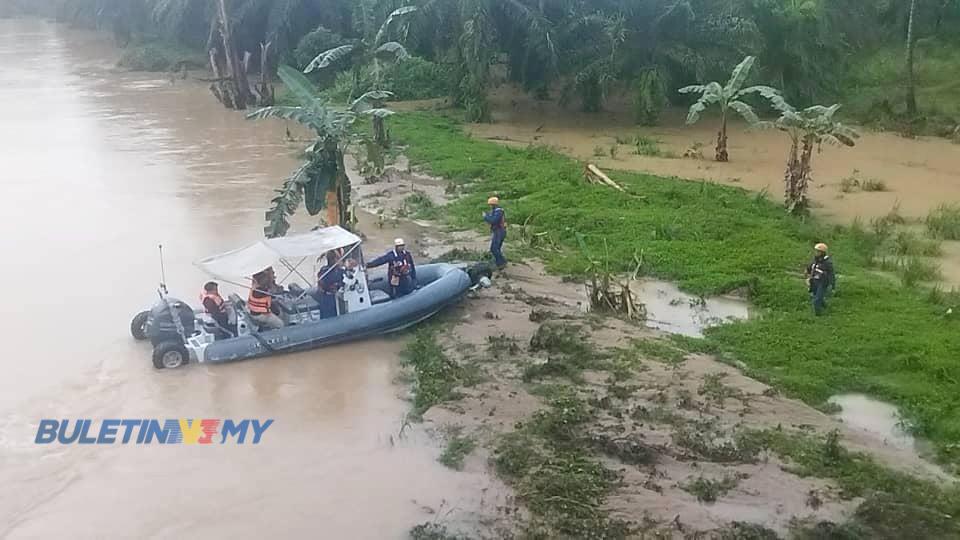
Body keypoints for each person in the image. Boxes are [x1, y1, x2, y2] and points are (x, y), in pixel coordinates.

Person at [805, 243, 836, 316]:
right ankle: (825, 307)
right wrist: (807, 273)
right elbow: (810, 268)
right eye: (816, 251)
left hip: (822, 283)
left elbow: (832, 275)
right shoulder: (815, 261)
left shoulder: (827, 263)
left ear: (822, 253)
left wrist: (833, 285)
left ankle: (818, 315)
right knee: (817, 297)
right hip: (814, 282)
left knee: (816, 300)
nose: (816, 253)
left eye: (818, 251)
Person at [314, 251, 344, 319]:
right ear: (334, 259)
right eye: (338, 258)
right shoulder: (336, 272)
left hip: (324, 297)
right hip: (330, 299)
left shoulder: (323, 270)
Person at [483, 196, 507, 269]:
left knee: (493, 248)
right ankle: (499, 262)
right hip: (499, 231)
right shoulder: (497, 211)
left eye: (490, 205)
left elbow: (493, 221)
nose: (489, 206)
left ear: (493, 205)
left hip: (499, 231)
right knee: (497, 248)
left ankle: (501, 263)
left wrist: (485, 217)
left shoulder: (498, 212)